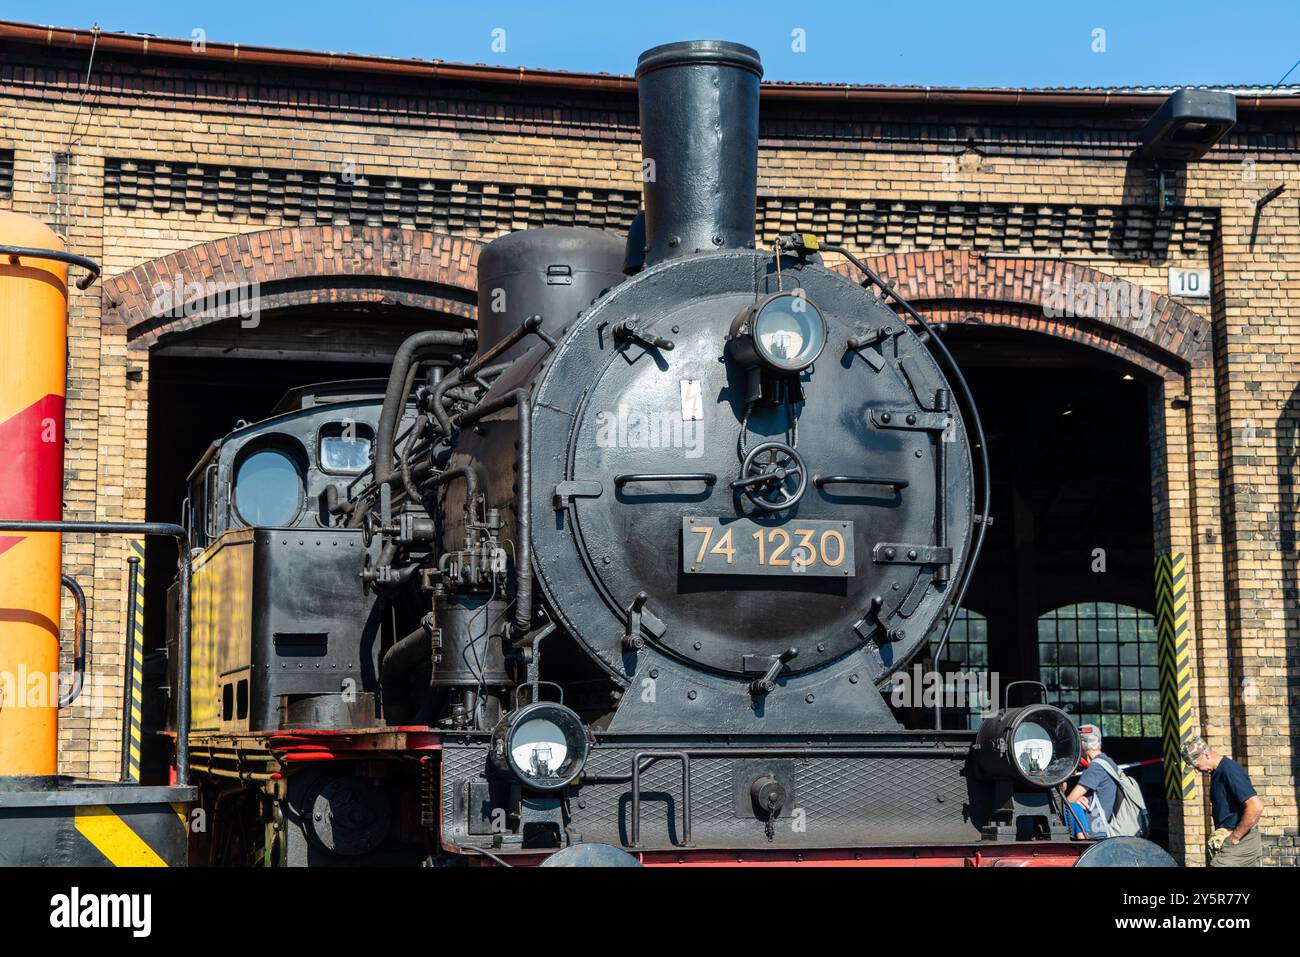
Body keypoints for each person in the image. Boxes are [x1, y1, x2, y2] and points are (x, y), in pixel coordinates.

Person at [1182, 736, 1265, 867]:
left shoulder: (1229, 770)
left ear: (1206, 754)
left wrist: (1235, 838)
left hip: (1241, 841)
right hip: (1234, 840)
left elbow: (1256, 806)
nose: (1197, 771)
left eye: (1197, 766)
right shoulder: (1217, 773)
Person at [1064, 725, 1121, 839]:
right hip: (1102, 830)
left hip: (1093, 832)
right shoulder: (1108, 762)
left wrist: (1075, 800)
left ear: (1083, 745)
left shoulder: (1095, 767)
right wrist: (1079, 798)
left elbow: (1068, 802)